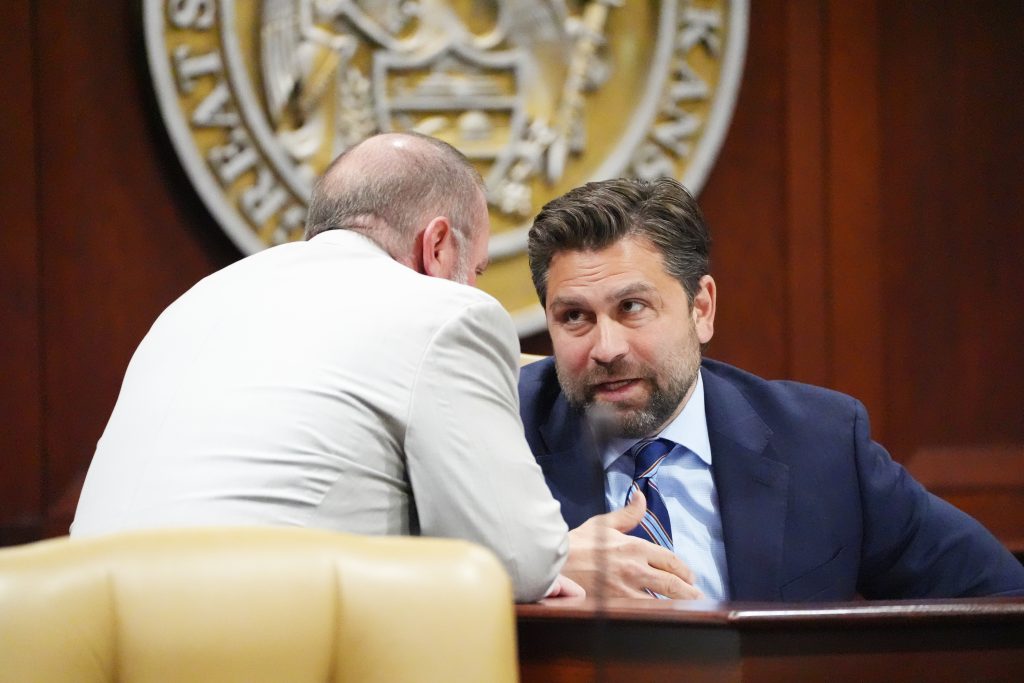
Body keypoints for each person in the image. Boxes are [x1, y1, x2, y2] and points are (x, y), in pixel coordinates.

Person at [71, 133, 573, 602]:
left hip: (71, 633)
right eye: (478, 270)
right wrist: (565, 553)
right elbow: (513, 562)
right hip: (244, 641)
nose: (474, 288)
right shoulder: (446, 314)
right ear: (437, 245)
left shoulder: (190, 304)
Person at [519, 177, 1024, 601]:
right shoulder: (496, 429)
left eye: (632, 307)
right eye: (575, 317)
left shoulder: (820, 444)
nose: (606, 348)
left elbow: (997, 596)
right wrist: (541, 570)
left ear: (701, 309)